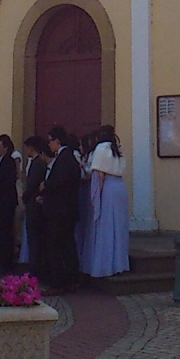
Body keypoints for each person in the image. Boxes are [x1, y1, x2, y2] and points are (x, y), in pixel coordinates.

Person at [79, 125, 130, 278]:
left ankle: (105, 264)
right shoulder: (118, 148)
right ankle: (119, 263)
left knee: (106, 225)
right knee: (118, 226)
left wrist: (97, 195)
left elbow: (99, 175)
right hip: (120, 186)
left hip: (108, 187)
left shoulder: (101, 148)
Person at [39, 124, 81, 293]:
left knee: (56, 246)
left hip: (60, 210)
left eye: (50, 141)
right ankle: (71, 279)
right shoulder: (68, 157)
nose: (48, 144)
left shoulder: (64, 159)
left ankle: (59, 282)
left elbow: (62, 182)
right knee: (67, 245)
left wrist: (46, 185)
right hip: (66, 210)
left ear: (57, 141)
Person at [19, 135, 49, 281]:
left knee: (34, 238)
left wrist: (25, 197)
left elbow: (32, 184)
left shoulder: (37, 163)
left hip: (34, 204)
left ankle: (35, 269)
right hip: (36, 203)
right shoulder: (39, 162)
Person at [0, 135, 18, 274]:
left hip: (6, 201)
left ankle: (6, 263)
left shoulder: (9, 162)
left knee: (5, 233)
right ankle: (2, 261)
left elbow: (9, 181)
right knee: (0, 232)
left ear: (5, 148)